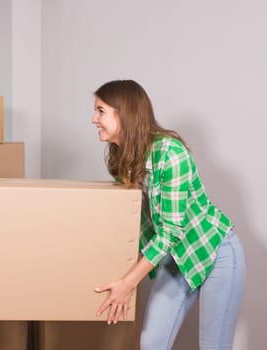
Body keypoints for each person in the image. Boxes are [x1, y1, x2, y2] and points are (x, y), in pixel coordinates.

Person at [91, 80, 246, 350]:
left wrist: (129, 283)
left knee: (215, 347)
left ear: (123, 112)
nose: (94, 119)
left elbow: (170, 231)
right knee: (152, 344)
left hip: (214, 252)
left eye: (101, 111)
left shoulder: (171, 153)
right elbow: (130, 217)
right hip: (174, 258)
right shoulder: (120, 158)